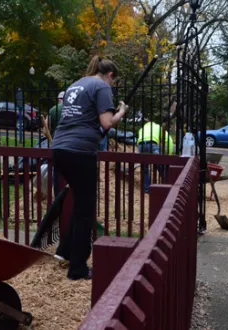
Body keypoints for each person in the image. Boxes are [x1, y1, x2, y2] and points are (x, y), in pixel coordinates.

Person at [51, 55, 128, 280]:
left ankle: (64, 251)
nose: (112, 86)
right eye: (114, 82)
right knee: (86, 211)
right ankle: (78, 268)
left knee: (80, 204)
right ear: (110, 75)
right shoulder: (101, 86)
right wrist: (121, 111)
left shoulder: (76, 84)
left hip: (60, 149)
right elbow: (107, 123)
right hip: (80, 152)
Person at [136, 120, 174, 193]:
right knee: (161, 165)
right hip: (152, 145)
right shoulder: (158, 127)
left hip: (141, 146)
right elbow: (168, 140)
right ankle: (166, 185)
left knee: (145, 168)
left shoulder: (142, 129)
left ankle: (147, 188)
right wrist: (168, 154)